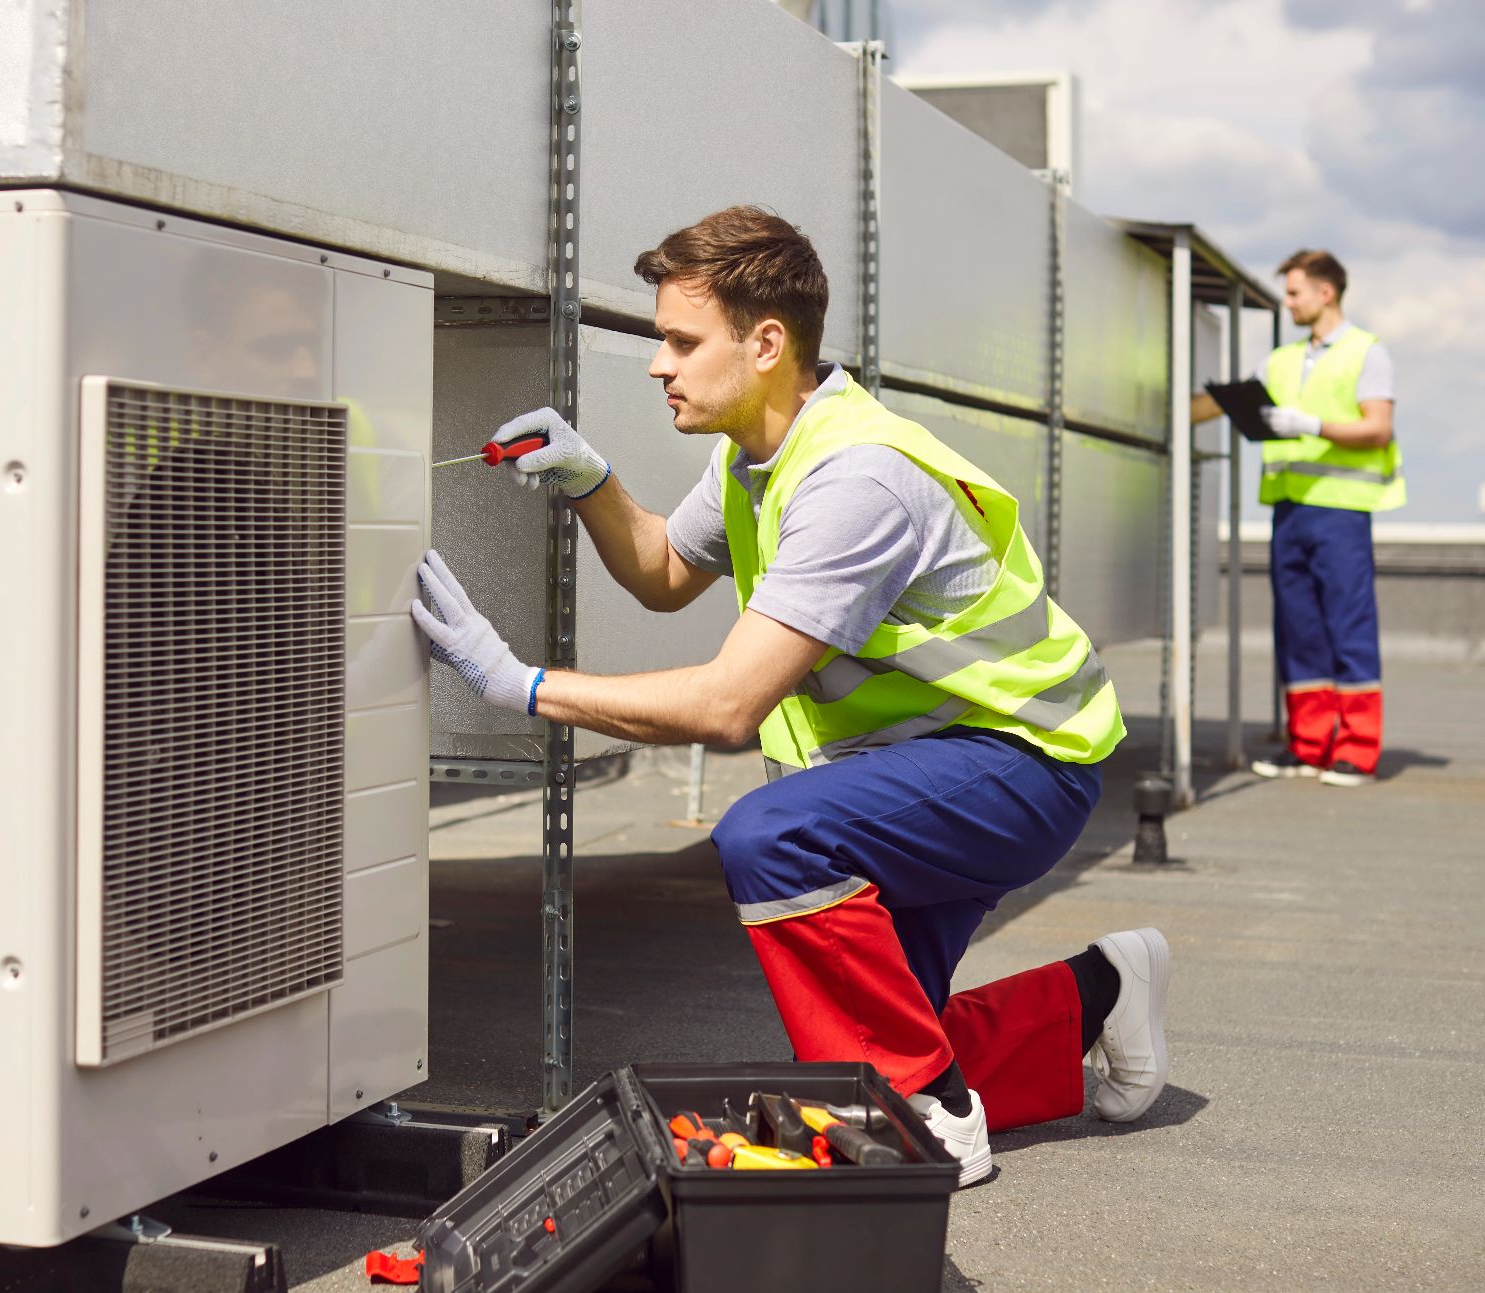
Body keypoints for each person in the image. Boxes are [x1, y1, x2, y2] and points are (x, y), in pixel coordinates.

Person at [410, 208, 1171, 1187]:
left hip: (1022, 763)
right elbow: (659, 571)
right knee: (873, 1050)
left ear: (765, 342)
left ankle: (935, 1121)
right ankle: (1101, 991)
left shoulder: (854, 479)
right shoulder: (753, 455)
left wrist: (519, 686)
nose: (657, 364)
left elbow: (728, 707)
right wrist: (588, 479)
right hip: (931, 766)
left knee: (771, 840)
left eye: (680, 341)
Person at [1197, 250, 1400, 787]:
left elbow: (1377, 428)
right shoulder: (1282, 360)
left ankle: (1357, 750)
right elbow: (1218, 406)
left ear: (1325, 292)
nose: (1287, 303)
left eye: (1294, 293)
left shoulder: (1367, 352)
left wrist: (1311, 422)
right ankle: (1309, 746)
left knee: (1348, 626)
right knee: (1299, 630)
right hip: (1289, 510)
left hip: (1342, 511)